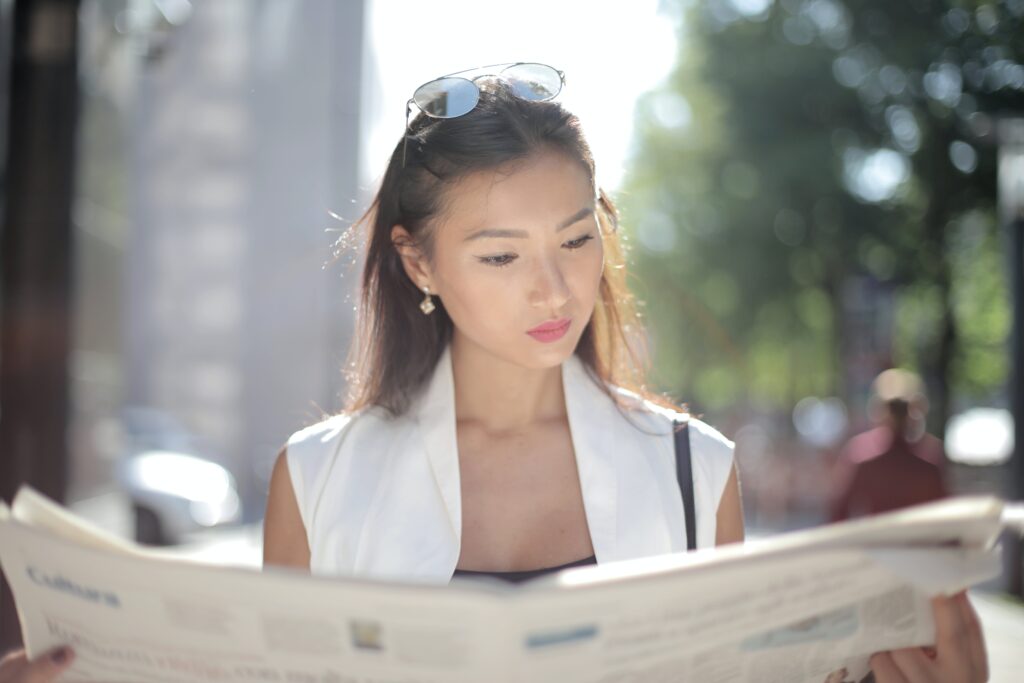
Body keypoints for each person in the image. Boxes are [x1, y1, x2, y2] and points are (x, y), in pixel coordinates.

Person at [830, 368, 949, 522]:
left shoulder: (861, 455)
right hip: (916, 544)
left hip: (880, 543)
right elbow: (946, 514)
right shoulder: (930, 458)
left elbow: (839, 514)